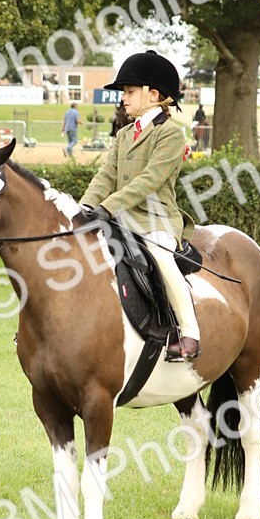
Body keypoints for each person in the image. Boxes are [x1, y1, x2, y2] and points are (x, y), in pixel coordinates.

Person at [79, 50, 200, 362]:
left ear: (153, 95)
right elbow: (106, 176)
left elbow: (150, 180)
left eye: (130, 91)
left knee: (161, 256)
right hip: (119, 219)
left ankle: (189, 333)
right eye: (124, 92)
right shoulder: (123, 135)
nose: (123, 98)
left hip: (155, 221)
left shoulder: (170, 134)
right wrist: (84, 207)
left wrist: (108, 207)